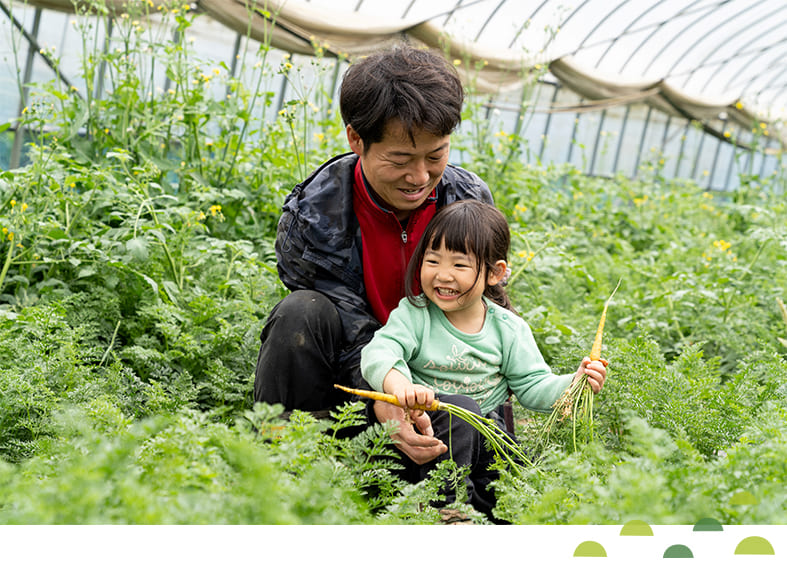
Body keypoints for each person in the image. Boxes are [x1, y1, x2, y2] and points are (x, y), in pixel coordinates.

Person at [254, 43, 493, 464]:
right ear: (356, 139)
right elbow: (348, 333)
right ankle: (287, 458)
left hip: (435, 390)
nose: (420, 177)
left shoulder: (467, 201)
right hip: (354, 391)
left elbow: (487, 319)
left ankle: (443, 497)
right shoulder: (311, 218)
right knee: (299, 312)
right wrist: (386, 395)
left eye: (436, 155)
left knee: (464, 420)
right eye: (400, 159)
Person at [360, 200, 608, 519]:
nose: (442, 275)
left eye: (459, 266)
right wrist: (401, 385)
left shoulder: (507, 329)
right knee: (460, 412)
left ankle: (478, 511)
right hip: (426, 431)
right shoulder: (415, 315)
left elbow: (533, 385)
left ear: (495, 273)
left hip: (487, 439)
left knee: (504, 496)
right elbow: (380, 351)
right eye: (433, 261)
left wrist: (574, 384)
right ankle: (444, 508)